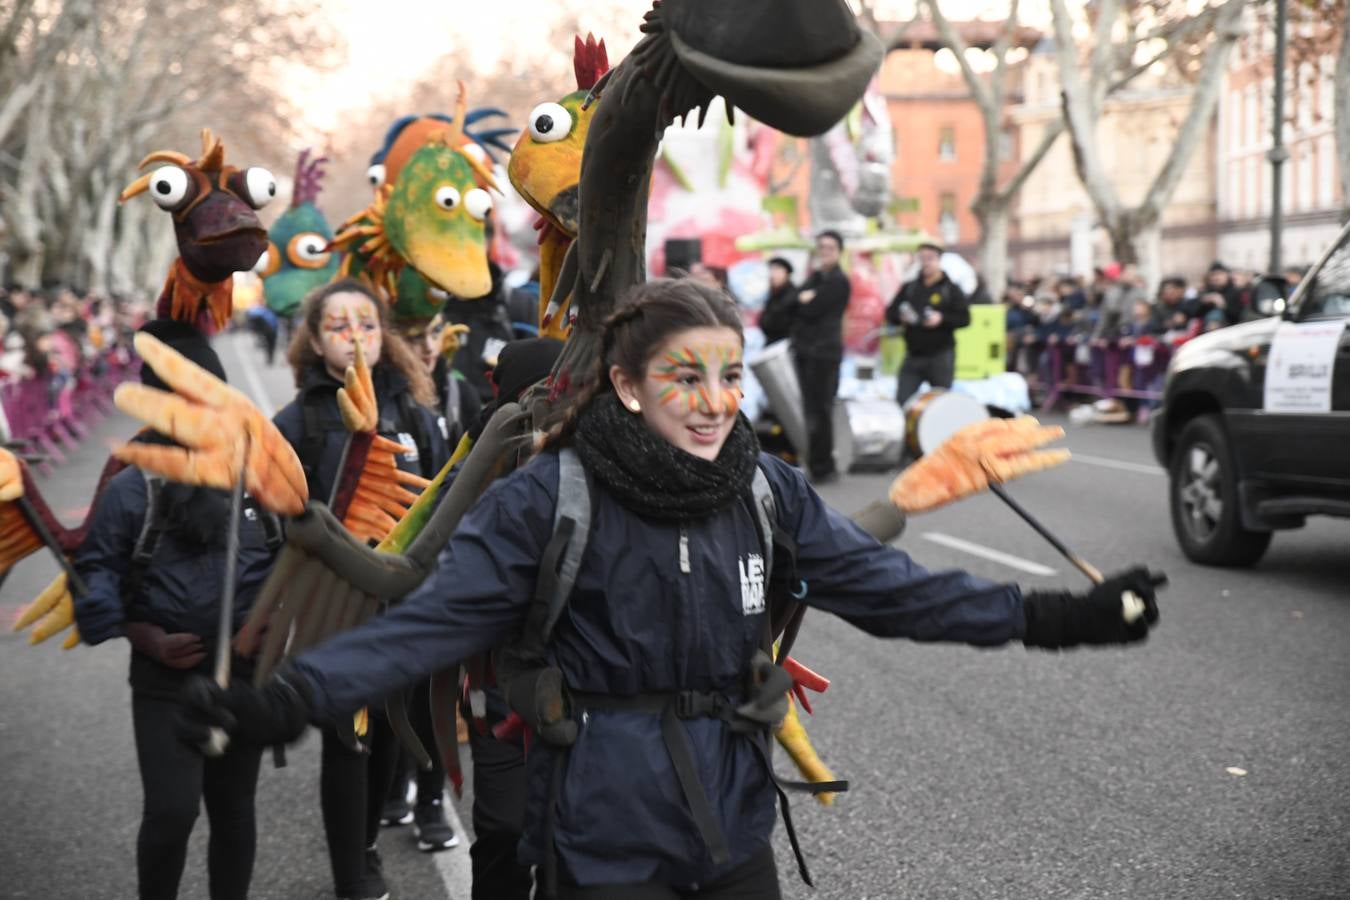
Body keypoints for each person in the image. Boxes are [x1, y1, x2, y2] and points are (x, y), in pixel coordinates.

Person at [181, 277, 1165, 900]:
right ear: (624, 385)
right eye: (683, 376)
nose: (714, 401)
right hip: (602, 839)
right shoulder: (548, 500)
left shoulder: (765, 486)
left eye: (730, 376)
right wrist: (284, 703)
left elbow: (890, 590)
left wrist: (1063, 617)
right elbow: (427, 627)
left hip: (733, 829)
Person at [73, 318, 277, 900]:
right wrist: (137, 633)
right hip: (166, 683)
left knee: (235, 809)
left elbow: (294, 564)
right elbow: (99, 571)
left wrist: (274, 625)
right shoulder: (132, 489)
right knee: (173, 812)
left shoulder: (260, 479)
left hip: (244, 680)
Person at [273, 278, 453, 899]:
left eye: (367, 325)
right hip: (335, 611)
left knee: (392, 732)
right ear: (314, 340)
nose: (355, 338)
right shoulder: (295, 422)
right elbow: (278, 521)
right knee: (349, 739)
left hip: (411, 605)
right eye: (337, 326)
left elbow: (446, 500)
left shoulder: (416, 413)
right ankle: (354, 871)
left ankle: (375, 835)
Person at [791, 230, 851, 483]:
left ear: (839, 251)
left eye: (830, 247)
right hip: (807, 351)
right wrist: (805, 300)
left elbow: (812, 309)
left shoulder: (839, 281)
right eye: (821, 246)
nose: (824, 251)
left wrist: (807, 300)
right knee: (809, 410)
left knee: (822, 410)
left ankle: (824, 465)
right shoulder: (815, 277)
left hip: (825, 353)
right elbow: (795, 303)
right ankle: (816, 463)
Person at [886, 241, 970, 407]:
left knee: (941, 403)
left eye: (930, 258)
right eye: (922, 258)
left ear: (939, 260)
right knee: (904, 400)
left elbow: (964, 319)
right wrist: (901, 318)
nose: (925, 263)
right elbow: (890, 313)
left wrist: (942, 319)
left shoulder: (951, 289)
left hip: (940, 355)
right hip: (913, 354)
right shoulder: (910, 287)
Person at [757, 257, 797, 346]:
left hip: (784, 347)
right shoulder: (772, 293)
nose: (773, 275)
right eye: (771, 270)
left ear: (787, 274)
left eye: (777, 270)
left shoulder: (792, 296)